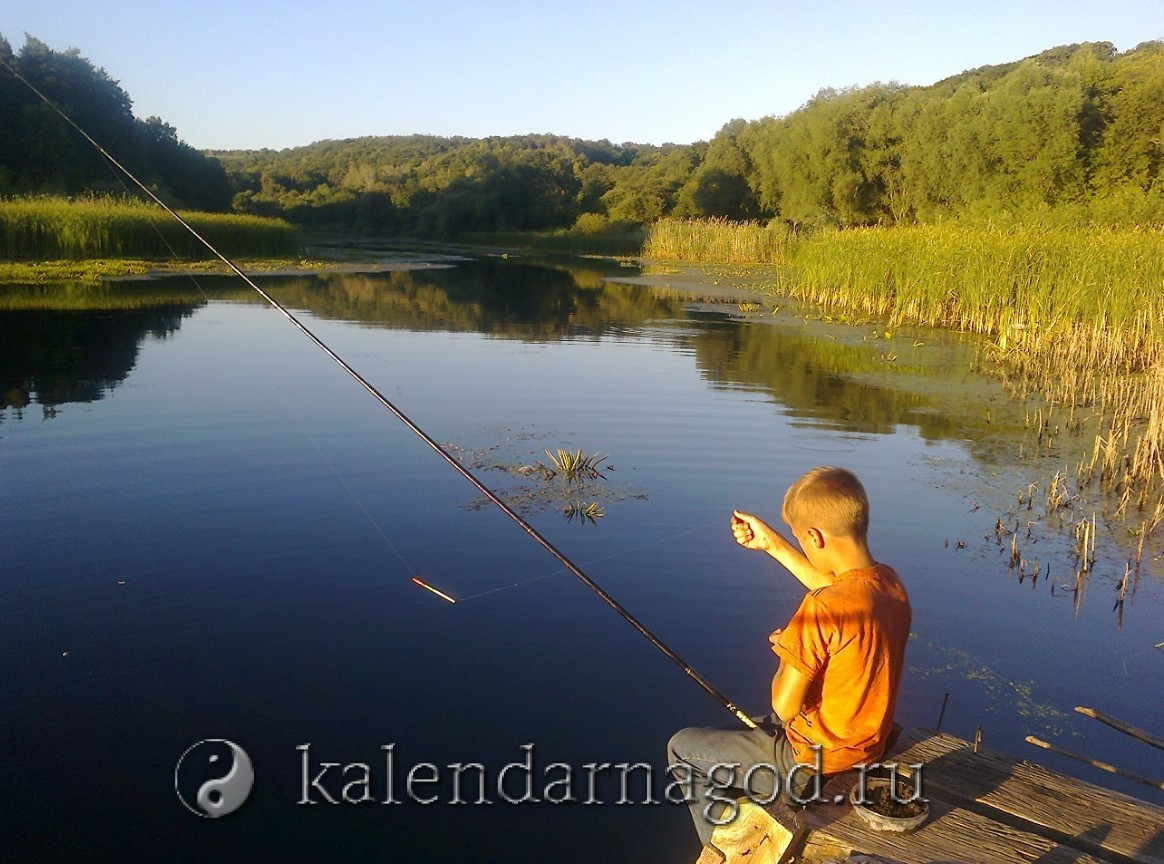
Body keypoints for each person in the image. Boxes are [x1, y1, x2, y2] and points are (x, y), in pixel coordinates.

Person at [667, 466, 912, 847]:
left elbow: (783, 706)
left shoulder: (822, 609)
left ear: (814, 537)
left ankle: (723, 851)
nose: (801, 544)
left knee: (682, 748)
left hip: (811, 765)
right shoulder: (889, 584)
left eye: (799, 538)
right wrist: (773, 544)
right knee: (726, 737)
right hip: (862, 747)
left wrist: (789, 651)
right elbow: (838, 593)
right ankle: (754, 814)